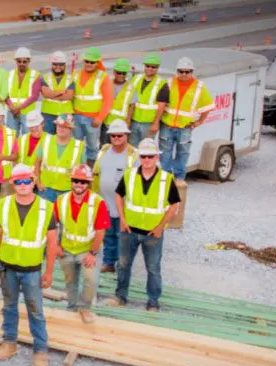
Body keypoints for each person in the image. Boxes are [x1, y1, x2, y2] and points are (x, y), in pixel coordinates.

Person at [0, 164, 56, 366]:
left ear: (34, 181)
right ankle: (10, 342)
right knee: (9, 307)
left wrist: (49, 271)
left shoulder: (46, 208)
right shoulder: (4, 204)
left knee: (35, 310)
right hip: (8, 267)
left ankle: (41, 349)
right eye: (19, 181)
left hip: (32, 270)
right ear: (12, 183)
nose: (23, 185)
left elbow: (52, 242)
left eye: (27, 180)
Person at [107, 138, 180, 312]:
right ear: (139, 157)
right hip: (129, 230)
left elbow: (175, 205)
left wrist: (160, 227)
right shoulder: (130, 175)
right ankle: (120, 297)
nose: (146, 160)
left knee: (153, 269)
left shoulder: (166, 179)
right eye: (144, 157)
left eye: (150, 157)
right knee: (123, 265)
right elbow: (118, 196)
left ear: (156, 158)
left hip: (152, 234)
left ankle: (153, 302)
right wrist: (122, 220)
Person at [49, 165, 110, 325]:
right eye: (76, 180)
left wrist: (93, 253)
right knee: (70, 281)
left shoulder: (97, 202)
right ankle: (72, 307)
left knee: (91, 280)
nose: (79, 184)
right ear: (71, 181)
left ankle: (84, 308)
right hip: (67, 248)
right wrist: (56, 245)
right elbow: (52, 226)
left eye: (83, 182)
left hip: (89, 250)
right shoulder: (61, 201)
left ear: (88, 184)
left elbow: (100, 231)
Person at [157, 57, 213, 178]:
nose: (183, 74)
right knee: (164, 155)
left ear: (192, 72)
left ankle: (179, 181)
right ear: (177, 71)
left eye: (187, 71)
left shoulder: (199, 87)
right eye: (181, 71)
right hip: (167, 126)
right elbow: (160, 103)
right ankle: (165, 180)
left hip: (185, 128)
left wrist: (199, 122)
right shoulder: (170, 83)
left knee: (182, 155)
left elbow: (208, 106)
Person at [94, 121, 137, 274]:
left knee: (122, 236)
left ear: (127, 135)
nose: (116, 138)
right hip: (105, 202)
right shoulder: (104, 151)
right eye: (113, 135)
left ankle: (121, 265)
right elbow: (96, 173)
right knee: (108, 234)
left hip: (123, 204)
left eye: (120, 135)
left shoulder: (134, 155)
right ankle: (108, 262)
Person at [71, 47, 113, 162]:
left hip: (93, 120)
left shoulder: (103, 77)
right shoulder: (76, 74)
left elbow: (108, 100)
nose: (89, 64)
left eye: (92, 62)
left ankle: (90, 171)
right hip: (76, 117)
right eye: (87, 61)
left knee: (92, 148)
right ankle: (77, 170)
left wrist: (100, 118)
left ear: (97, 62)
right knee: (75, 146)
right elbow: (71, 95)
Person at [33, 115, 84, 203]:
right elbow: (37, 163)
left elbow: (83, 171)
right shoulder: (46, 140)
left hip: (67, 190)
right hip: (46, 189)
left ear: (71, 129)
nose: (61, 129)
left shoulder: (79, 146)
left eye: (65, 127)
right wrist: (38, 182)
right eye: (59, 126)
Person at [128, 53, 168, 146]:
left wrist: (156, 123)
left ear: (157, 68)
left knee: (146, 149)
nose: (150, 68)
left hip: (149, 124)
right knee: (132, 148)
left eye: (153, 67)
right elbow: (130, 100)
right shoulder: (136, 79)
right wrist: (128, 119)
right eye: (147, 66)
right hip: (134, 120)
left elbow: (161, 105)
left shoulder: (161, 83)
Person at [35, 51, 75, 133]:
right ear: (51, 64)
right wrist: (62, 92)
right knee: (47, 140)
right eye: (55, 64)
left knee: (63, 140)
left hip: (65, 115)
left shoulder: (70, 79)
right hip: (48, 115)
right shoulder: (45, 78)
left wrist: (52, 94)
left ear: (64, 65)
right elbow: (46, 94)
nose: (58, 67)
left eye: (61, 64)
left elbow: (69, 96)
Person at [5, 47, 40, 135]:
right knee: (11, 138)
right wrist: (12, 107)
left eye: (24, 61)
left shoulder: (35, 75)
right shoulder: (9, 74)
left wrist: (18, 108)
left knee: (27, 138)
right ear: (16, 61)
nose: (21, 63)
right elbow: (5, 93)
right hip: (11, 112)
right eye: (19, 61)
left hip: (27, 113)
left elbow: (34, 96)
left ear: (29, 62)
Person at [103, 59, 135, 132]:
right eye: (119, 73)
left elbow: (131, 106)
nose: (121, 75)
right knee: (105, 143)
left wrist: (128, 121)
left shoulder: (131, 88)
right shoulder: (107, 83)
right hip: (106, 122)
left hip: (121, 125)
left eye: (124, 73)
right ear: (114, 72)